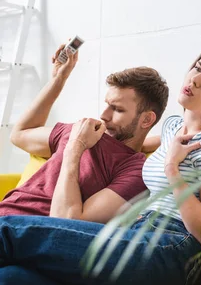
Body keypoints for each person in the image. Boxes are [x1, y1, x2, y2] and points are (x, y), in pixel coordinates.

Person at [0, 45, 201, 285]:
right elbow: (137, 142)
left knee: (6, 232)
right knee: (12, 278)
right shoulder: (173, 128)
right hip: (139, 232)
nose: (196, 79)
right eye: (197, 68)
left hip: (173, 243)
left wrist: (172, 170)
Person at [0, 43, 169, 223]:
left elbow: (68, 223)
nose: (104, 115)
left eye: (118, 109)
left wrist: (75, 148)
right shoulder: (83, 130)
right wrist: (59, 79)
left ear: (146, 120)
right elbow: (20, 134)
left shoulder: (135, 171)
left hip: (24, 233)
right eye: (106, 104)